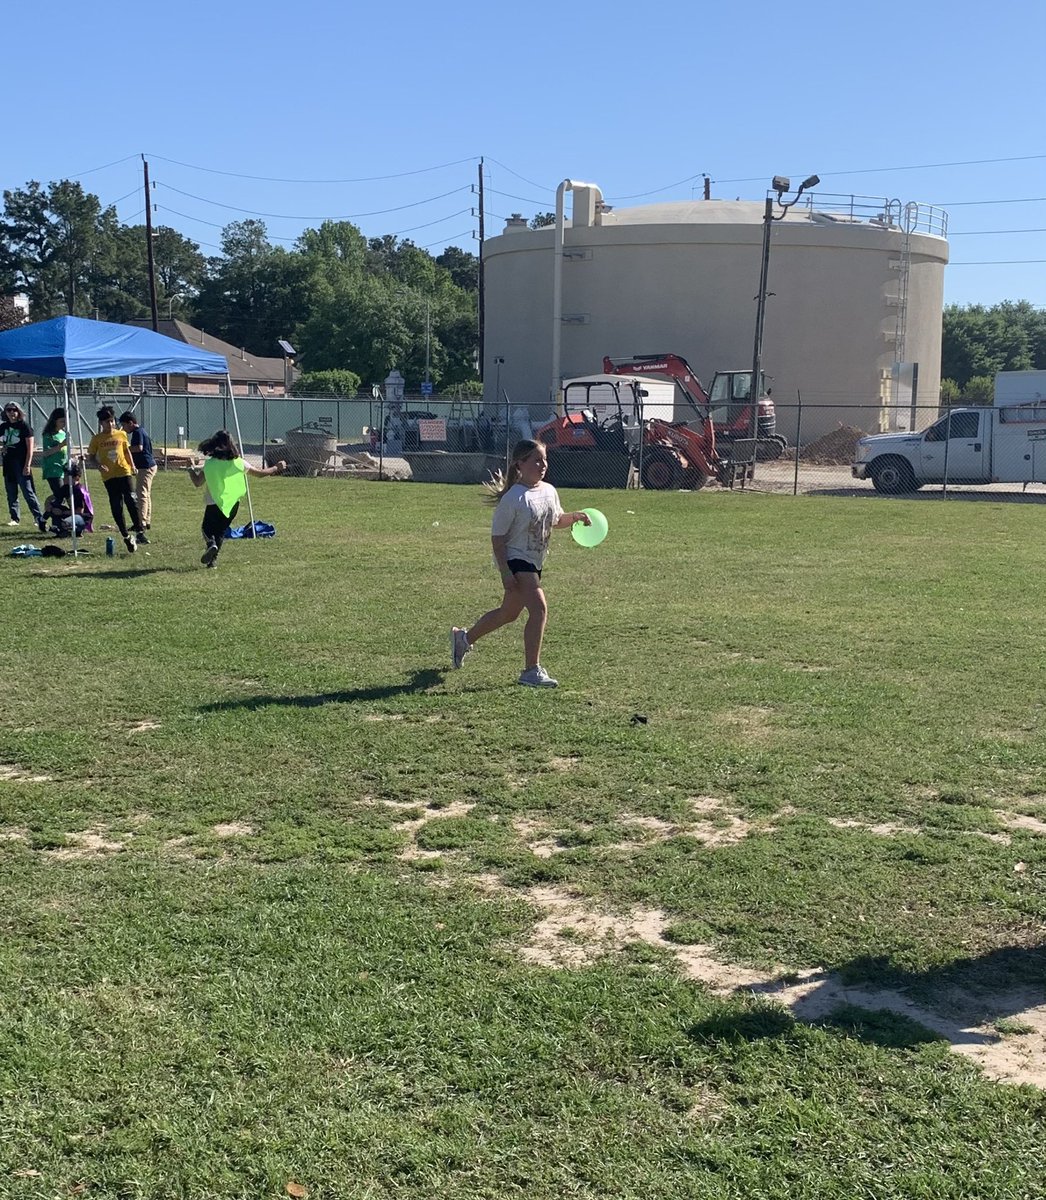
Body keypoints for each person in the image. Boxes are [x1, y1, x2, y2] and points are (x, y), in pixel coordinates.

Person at [450, 439, 591, 688]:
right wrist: (505, 572)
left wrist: (576, 517)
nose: (543, 464)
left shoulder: (549, 491)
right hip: (516, 560)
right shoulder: (513, 498)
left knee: (509, 613)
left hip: (534, 560)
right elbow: (498, 538)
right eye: (536, 460)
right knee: (539, 609)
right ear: (520, 464)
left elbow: (556, 519)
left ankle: (464, 638)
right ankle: (530, 670)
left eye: (544, 459)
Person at [188, 430, 286, 568]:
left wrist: (191, 469)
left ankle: (211, 544)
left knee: (206, 529)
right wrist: (277, 467)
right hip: (233, 504)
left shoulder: (210, 464)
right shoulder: (239, 463)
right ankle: (212, 562)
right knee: (221, 531)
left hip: (214, 503)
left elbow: (197, 482)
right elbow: (260, 474)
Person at [86, 405, 148, 553]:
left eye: (112, 421)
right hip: (109, 476)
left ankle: (139, 531)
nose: (111, 424)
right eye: (107, 421)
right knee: (116, 506)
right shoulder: (96, 439)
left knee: (131, 500)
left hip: (124, 472)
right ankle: (126, 535)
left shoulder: (121, 435)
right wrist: (98, 466)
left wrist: (132, 465)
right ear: (101, 423)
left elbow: (126, 451)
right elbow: (91, 457)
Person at [1, 401, 46, 531]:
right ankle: (14, 518)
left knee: (28, 492)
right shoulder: (4, 426)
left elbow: (30, 448)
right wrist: (2, 448)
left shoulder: (24, 427)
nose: (11, 413)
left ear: (19, 412)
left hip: (21, 463)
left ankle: (38, 517)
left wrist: (27, 465)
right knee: (11, 492)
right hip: (8, 464)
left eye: (14, 410)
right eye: (8, 410)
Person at [119, 410, 157, 531]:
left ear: (130, 423)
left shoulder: (137, 432)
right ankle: (146, 520)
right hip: (149, 466)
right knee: (146, 494)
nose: (124, 429)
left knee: (141, 495)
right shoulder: (141, 430)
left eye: (124, 425)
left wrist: (125, 449)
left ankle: (141, 522)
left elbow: (139, 447)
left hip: (145, 467)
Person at [42, 462, 90, 537]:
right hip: (70, 513)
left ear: (76, 477)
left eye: (67, 476)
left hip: (81, 517)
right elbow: (52, 498)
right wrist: (49, 506)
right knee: (54, 504)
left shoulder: (79, 491)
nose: (63, 478)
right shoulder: (66, 487)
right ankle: (43, 521)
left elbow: (79, 512)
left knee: (65, 519)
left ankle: (70, 530)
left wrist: (62, 512)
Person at [40, 407, 71, 498]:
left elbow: (68, 450)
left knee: (68, 495)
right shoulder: (48, 435)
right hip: (53, 469)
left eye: (66, 422)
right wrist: (61, 445)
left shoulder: (65, 433)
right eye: (62, 421)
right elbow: (46, 453)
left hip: (64, 468)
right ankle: (50, 508)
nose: (64, 424)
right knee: (60, 494)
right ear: (55, 421)